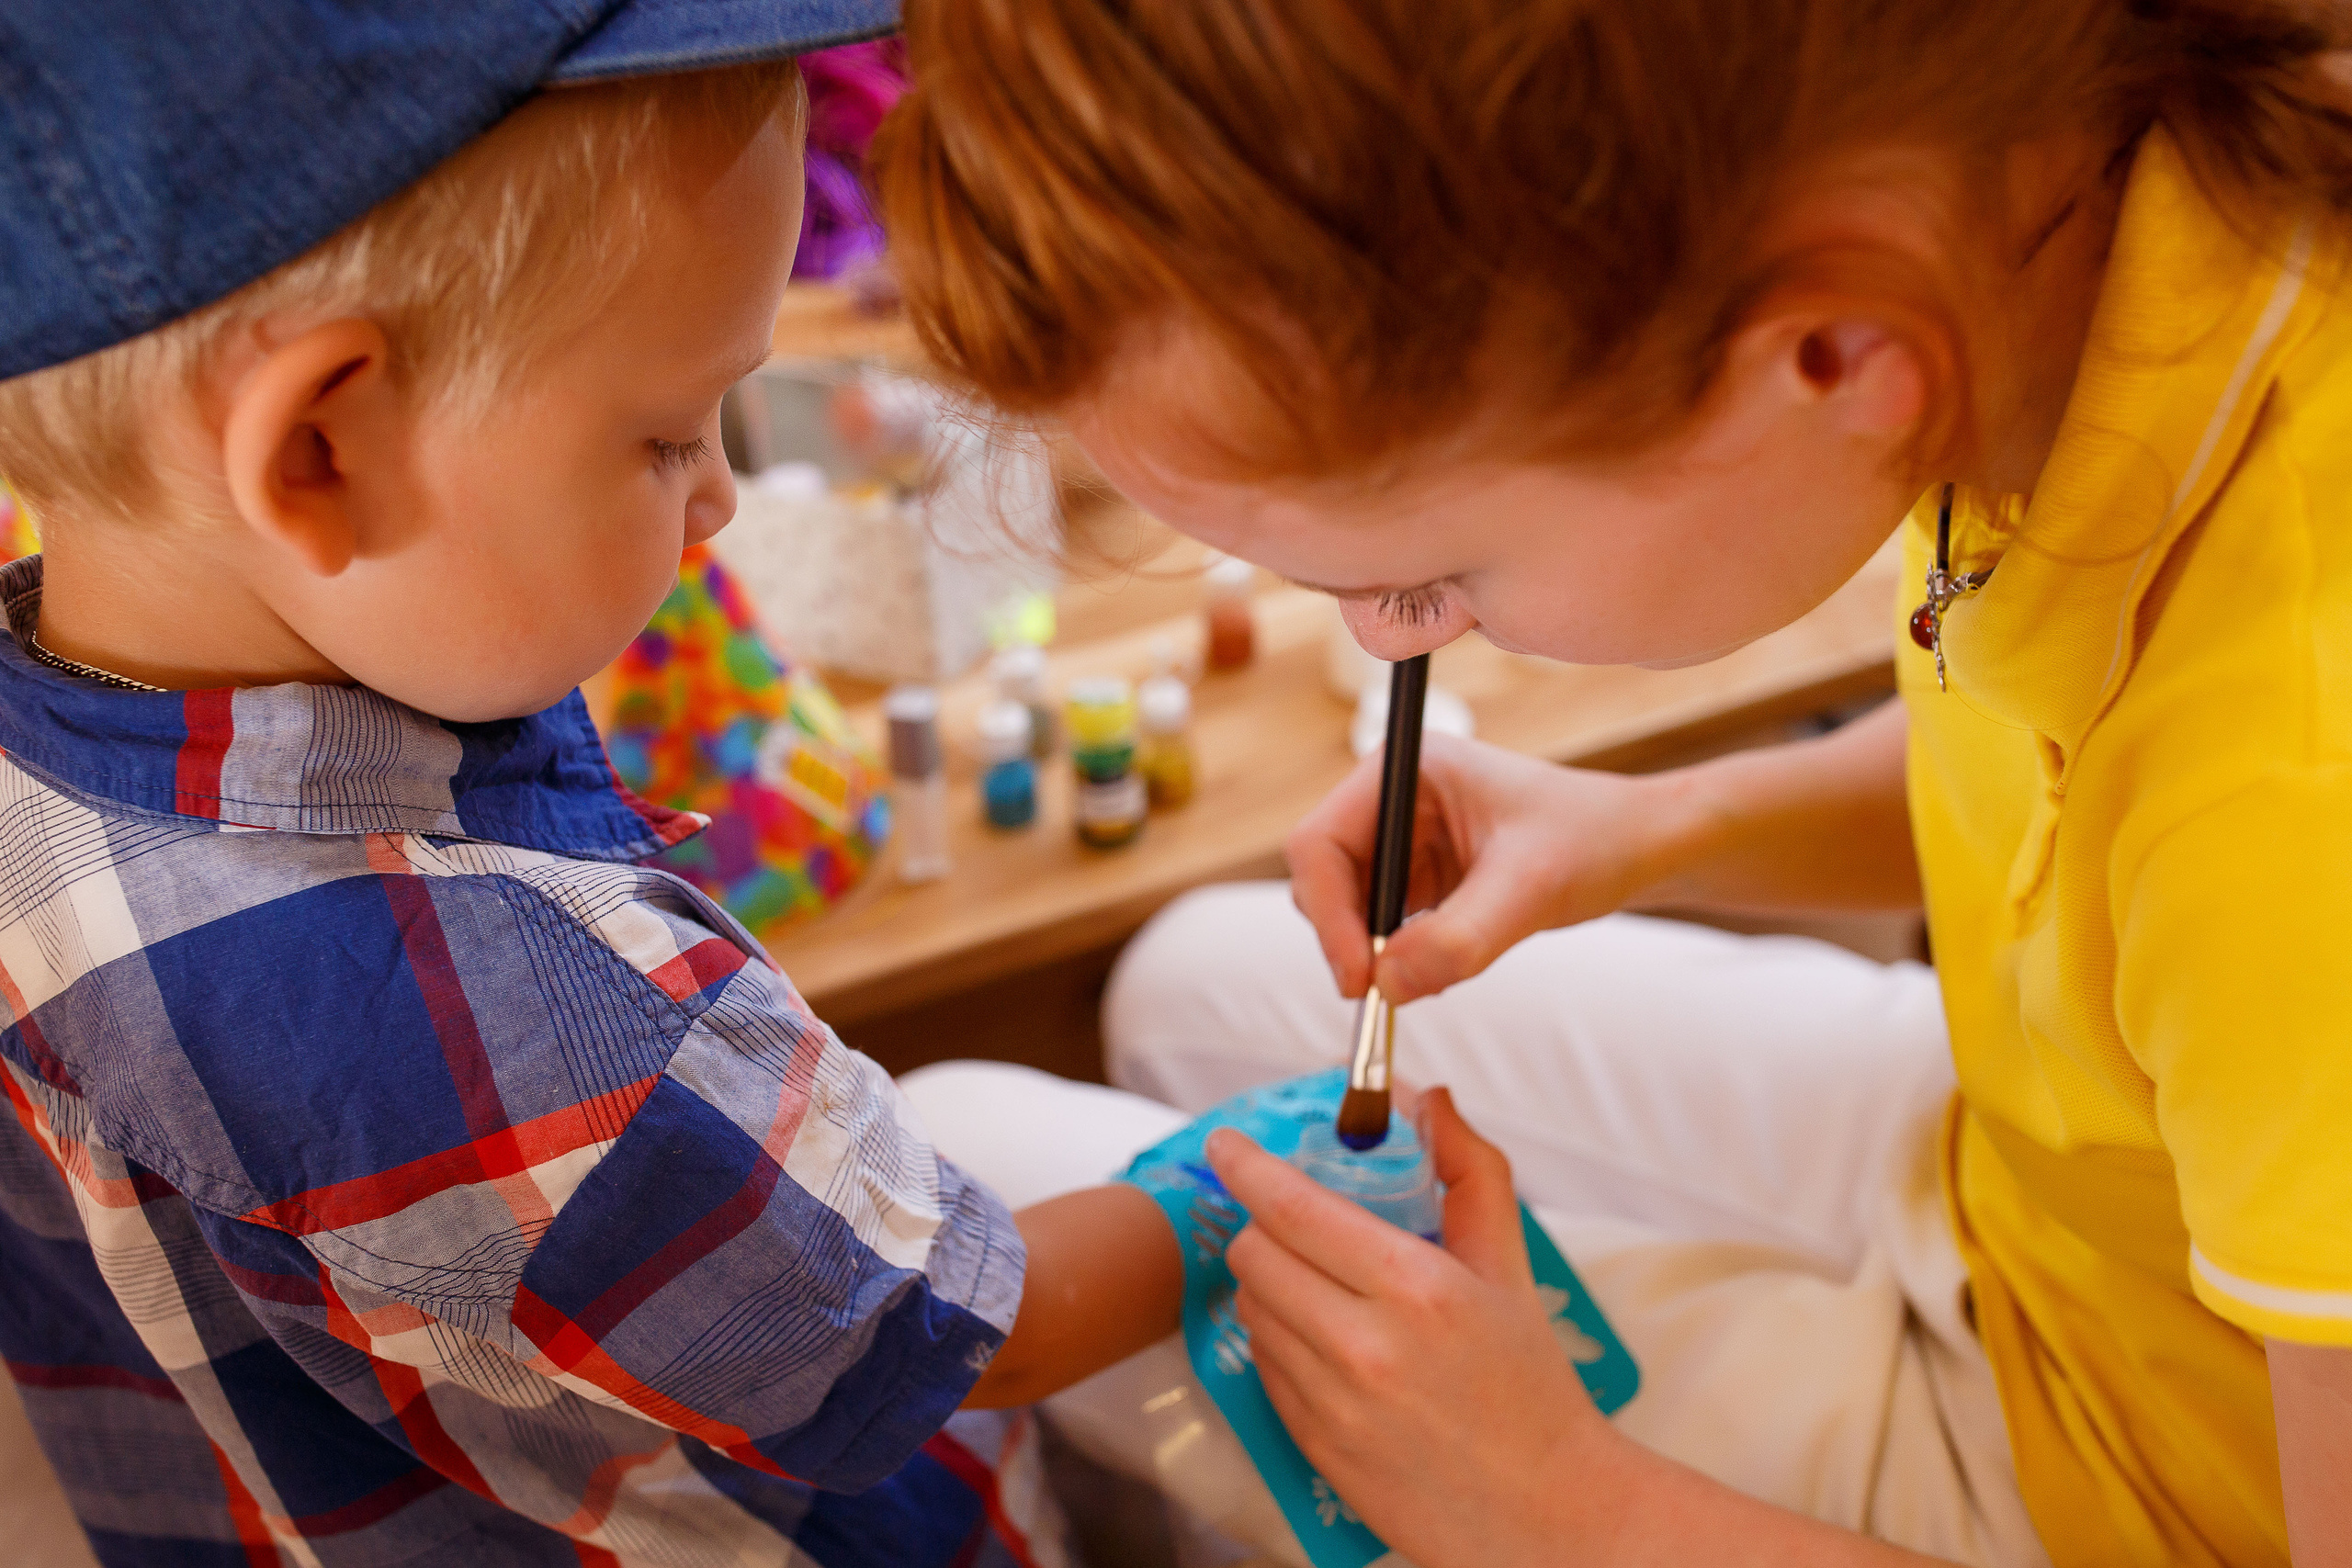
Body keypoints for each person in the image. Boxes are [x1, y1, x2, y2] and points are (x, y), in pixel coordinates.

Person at [870, 1, 2352, 1564]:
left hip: (2130, 1489)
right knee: (1186, 982)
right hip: (2045, 1166)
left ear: (1838, 360)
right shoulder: (2069, 212)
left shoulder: (2295, 797)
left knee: (957, 1137)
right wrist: (1657, 828)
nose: (1382, 636)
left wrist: (1556, 1508)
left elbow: (2230, 872)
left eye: (1427, 579)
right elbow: (2074, 810)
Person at [0, 6, 1183, 1564]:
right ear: (320, 455)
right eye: (668, 434)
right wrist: (1229, 1197)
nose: (719, 501)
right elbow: (926, 1334)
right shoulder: (510, 998)